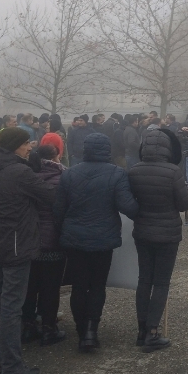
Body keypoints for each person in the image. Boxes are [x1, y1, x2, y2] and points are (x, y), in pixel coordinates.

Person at [0, 127, 57, 374]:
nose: (29, 148)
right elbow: (49, 196)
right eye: (26, 144)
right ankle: (12, 368)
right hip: (16, 245)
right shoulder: (20, 172)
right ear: (15, 145)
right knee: (11, 307)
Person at [54, 133, 139, 352]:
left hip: (74, 238)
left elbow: (58, 211)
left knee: (79, 285)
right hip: (103, 238)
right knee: (97, 285)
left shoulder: (69, 174)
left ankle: (81, 329)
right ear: (107, 150)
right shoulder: (117, 174)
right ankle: (92, 330)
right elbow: (128, 208)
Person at [128, 127, 188, 352]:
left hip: (143, 231)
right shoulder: (173, 172)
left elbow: (130, 202)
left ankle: (142, 329)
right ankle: (153, 333)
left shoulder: (134, 170)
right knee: (161, 283)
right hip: (167, 234)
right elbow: (184, 205)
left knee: (144, 280)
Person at [21, 144, 68, 346]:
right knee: (51, 287)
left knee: (29, 286)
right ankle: (49, 327)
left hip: (29, 240)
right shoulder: (62, 178)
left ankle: (27, 326)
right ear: (57, 156)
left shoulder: (25, 177)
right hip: (53, 241)